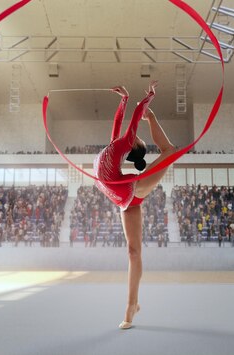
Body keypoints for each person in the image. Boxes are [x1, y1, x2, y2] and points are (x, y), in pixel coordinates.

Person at [93, 81, 176, 329]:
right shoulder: (116, 143)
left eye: (135, 136)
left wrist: (148, 98)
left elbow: (134, 116)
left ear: (134, 145)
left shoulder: (127, 141)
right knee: (133, 252)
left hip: (130, 189)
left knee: (170, 151)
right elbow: (119, 121)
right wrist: (124, 99)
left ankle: (129, 307)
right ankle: (135, 303)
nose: (133, 133)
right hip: (120, 196)